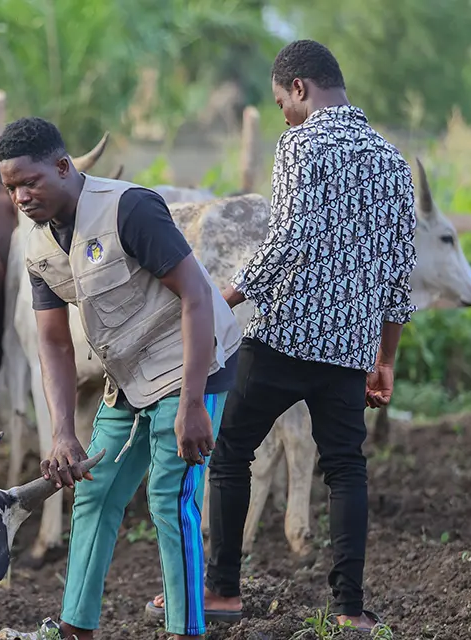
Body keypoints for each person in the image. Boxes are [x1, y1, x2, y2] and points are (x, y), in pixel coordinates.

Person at [145, 39, 417, 631]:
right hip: (349, 351)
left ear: (300, 88)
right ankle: (348, 611)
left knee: (230, 452)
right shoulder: (393, 163)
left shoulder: (300, 144)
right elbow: (399, 279)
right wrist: (384, 359)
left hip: (285, 337)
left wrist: (220, 300)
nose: (283, 114)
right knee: (346, 469)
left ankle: (221, 589)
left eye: (281, 101)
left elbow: (287, 242)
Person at [0, 116, 243, 640]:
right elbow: (55, 341)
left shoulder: (128, 207)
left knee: (169, 499)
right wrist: (62, 431)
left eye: (30, 182)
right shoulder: (37, 244)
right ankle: (75, 628)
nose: (20, 197)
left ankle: (185, 630)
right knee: (96, 489)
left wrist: (193, 402)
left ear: (63, 167)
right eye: (10, 186)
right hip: (128, 371)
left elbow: (197, 295)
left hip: (191, 359)